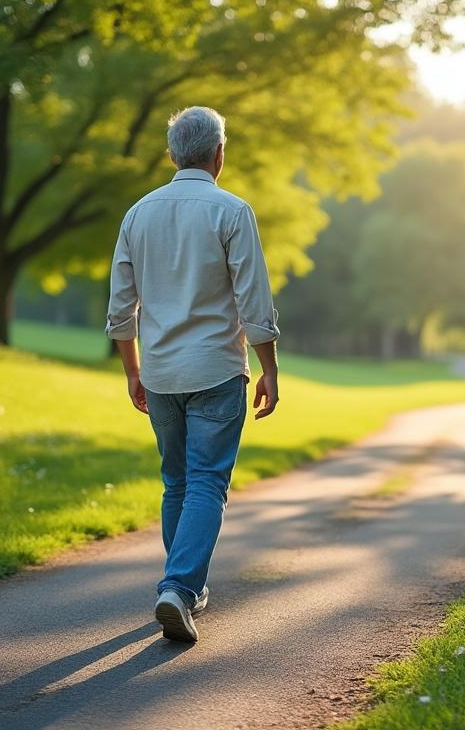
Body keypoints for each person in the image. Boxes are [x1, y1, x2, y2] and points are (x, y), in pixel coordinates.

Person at [105, 106, 280, 642]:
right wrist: (270, 369)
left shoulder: (137, 214)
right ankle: (179, 587)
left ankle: (184, 588)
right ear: (219, 154)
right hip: (216, 371)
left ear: (172, 154)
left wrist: (132, 371)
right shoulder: (233, 211)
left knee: (176, 482)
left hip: (160, 374)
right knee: (206, 482)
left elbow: (120, 310)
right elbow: (254, 302)